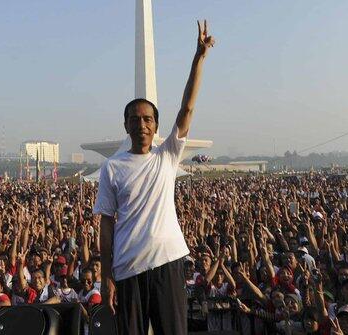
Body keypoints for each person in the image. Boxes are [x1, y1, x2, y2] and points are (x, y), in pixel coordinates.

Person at [95, 20, 215, 335]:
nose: (142, 125)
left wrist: (198, 58)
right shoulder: (112, 167)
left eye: (148, 119)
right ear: (126, 126)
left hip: (167, 262)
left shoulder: (167, 155)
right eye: (135, 120)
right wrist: (105, 276)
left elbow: (187, 108)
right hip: (127, 270)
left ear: (156, 126)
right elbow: (106, 225)